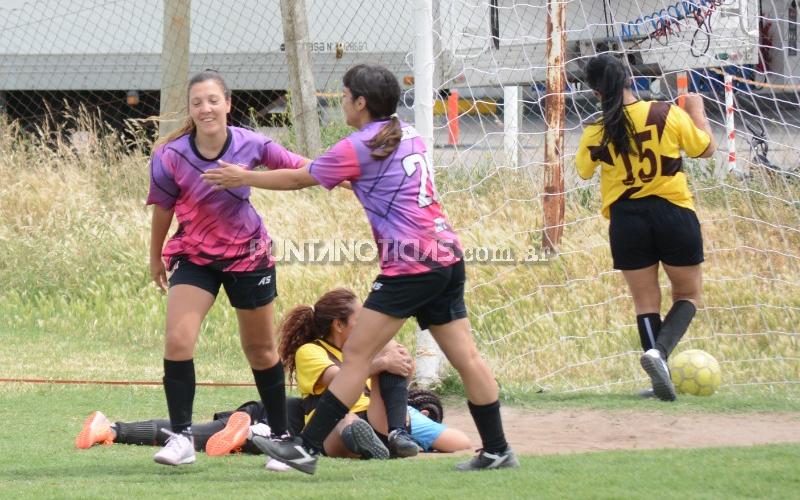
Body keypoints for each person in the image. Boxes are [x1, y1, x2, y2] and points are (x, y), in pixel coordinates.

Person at [202, 64, 517, 473]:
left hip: (411, 264)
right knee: (466, 356)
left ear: (362, 102)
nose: (343, 100)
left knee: (355, 354)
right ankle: (497, 450)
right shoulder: (407, 133)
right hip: (446, 256)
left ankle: (305, 449)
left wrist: (242, 177)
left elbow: (301, 179)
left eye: (346, 94)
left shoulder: (358, 145)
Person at [146, 69, 309, 466]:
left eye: (213, 100)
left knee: (260, 349)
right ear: (189, 109)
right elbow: (163, 208)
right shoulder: (170, 156)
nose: (206, 108)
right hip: (195, 257)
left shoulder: (251, 143)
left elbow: (304, 171)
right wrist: (155, 256)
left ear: (228, 104)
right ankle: (182, 439)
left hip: (249, 256)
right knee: (178, 341)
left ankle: (284, 439)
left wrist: (247, 176)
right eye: (197, 102)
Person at [574, 54, 716, 401]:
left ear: (595, 91)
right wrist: (697, 109)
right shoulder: (666, 112)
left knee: (645, 302)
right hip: (672, 212)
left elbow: (583, 171)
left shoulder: (596, 129)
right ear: (628, 79)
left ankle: (659, 378)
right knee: (688, 295)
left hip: (626, 221)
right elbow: (706, 149)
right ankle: (659, 354)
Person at [277, 288, 471, 459]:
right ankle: (372, 442)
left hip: (377, 416)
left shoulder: (366, 349)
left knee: (459, 442)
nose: (365, 326)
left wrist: (403, 367)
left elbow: (389, 381)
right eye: (359, 321)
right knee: (349, 422)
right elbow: (339, 378)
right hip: (335, 423)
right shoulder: (311, 351)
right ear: (338, 325)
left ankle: (397, 435)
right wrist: (383, 363)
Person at [73, 389, 462, 462]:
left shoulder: (352, 384)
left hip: (275, 410)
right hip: (282, 421)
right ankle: (253, 437)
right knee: (204, 434)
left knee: (192, 432)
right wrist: (418, 443)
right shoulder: (410, 420)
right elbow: (459, 441)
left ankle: (113, 429)